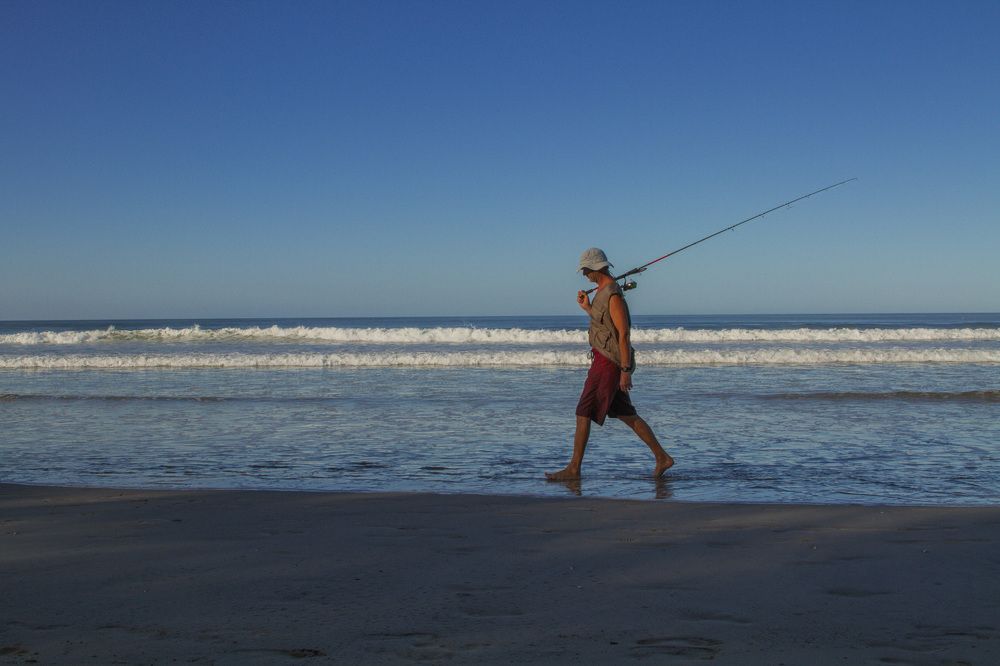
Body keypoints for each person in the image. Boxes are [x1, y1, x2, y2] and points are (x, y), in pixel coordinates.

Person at [546, 248, 674, 481]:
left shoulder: (613, 295)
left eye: (585, 270)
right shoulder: (602, 292)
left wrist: (625, 371)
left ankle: (574, 469)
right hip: (603, 359)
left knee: (583, 410)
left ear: (595, 268)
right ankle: (662, 457)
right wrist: (587, 308)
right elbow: (605, 326)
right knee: (625, 413)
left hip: (608, 363)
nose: (584, 274)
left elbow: (623, 334)